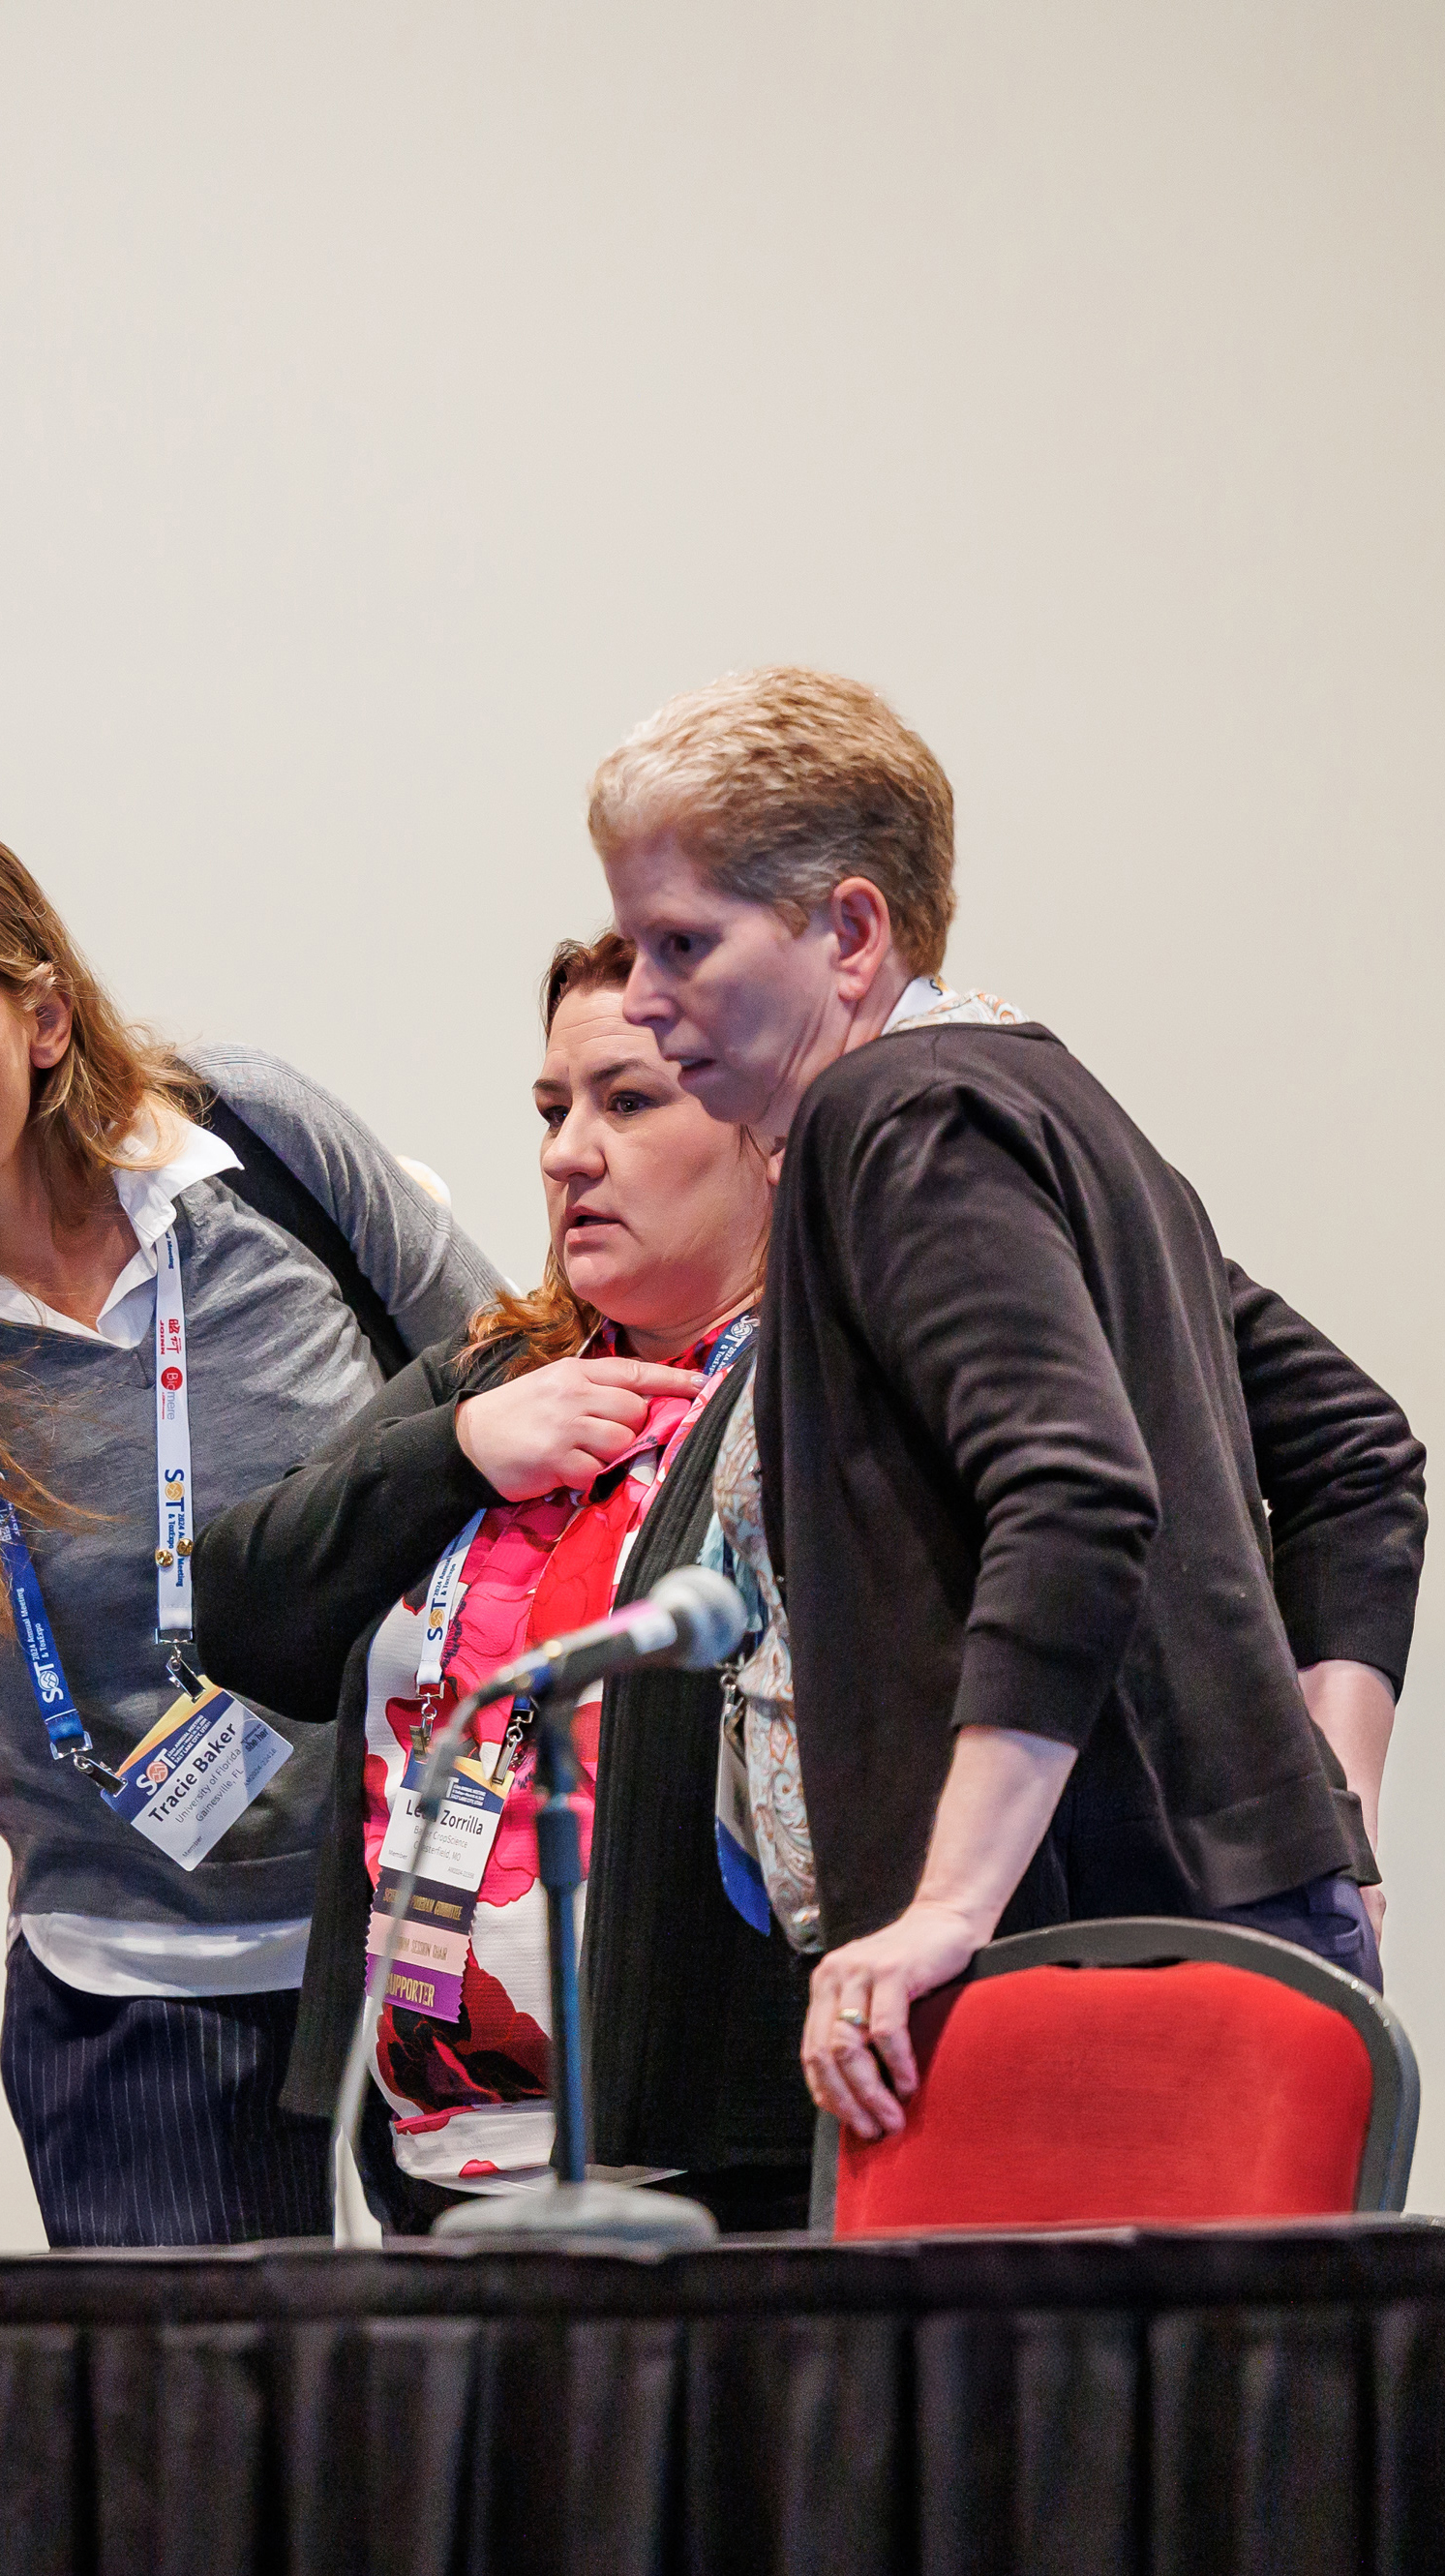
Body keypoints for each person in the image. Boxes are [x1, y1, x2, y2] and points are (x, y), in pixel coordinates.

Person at [592, 667, 1425, 2142]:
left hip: (1077, 1965)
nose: (642, 1001)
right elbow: (1354, 1442)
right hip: (1213, 1935)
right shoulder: (1039, 1101)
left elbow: (1075, 1489)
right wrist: (1320, 1794)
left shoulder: (891, 1118)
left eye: (680, 944)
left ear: (847, 932)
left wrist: (943, 1905)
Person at [0, 811, 501, 2244]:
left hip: (436, 1922)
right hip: (138, 1977)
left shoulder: (252, 1144)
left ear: (40, 1018)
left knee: (487, 2439)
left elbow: (507, 1369)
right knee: (214, 2463)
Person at [193, 931, 818, 2231]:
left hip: (713, 2161)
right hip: (433, 2149)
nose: (564, 1152)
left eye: (626, 1101)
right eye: (551, 1109)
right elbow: (246, 1616)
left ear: (763, 1122)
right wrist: (461, 1454)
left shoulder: (817, 1393)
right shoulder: (489, 1375)